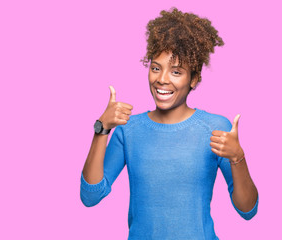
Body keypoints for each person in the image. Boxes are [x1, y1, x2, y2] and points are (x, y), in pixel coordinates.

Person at [80, 7, 259, 240]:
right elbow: (90, 196)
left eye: (176, 72)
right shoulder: (129, 129)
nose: (162, 79)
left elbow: (248, 210)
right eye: (156, 68)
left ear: (194, 79)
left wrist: (238, 158)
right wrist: (101, 129)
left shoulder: (216, 128)